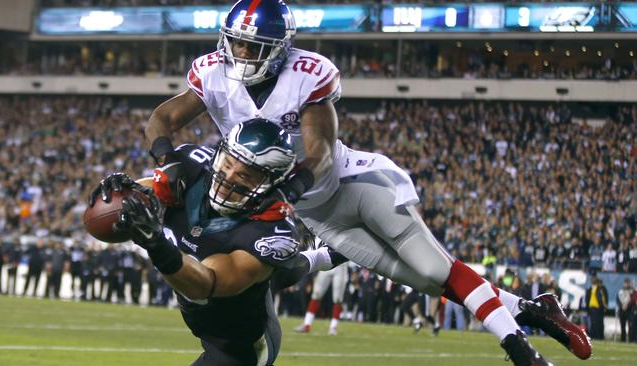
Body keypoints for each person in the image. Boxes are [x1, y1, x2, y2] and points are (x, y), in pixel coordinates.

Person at [143, 0, 590, 363]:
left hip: (355, 184)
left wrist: (288, 191)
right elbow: (163, 117)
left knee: (436, 267)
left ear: (279, 48)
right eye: (236, 44)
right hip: (320, 216)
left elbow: (318, 152)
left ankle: (520, 348)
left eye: (252, 46)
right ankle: (536, 310)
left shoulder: (308, 74)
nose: (240, 55)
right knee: (426, 281)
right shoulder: (212, 72)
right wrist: (166, 160)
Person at [89, 120, 346, 366]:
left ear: (272, 184)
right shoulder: (191, 167)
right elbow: (147, 192)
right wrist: (127, 193)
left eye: (245, 175)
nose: (228, 178)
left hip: (238, 346)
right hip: (216, 307)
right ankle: (325, 255)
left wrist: (157, 244)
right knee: (280, 271)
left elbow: (205, 284)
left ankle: (328, 255)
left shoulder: (269, 231)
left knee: (279, 270)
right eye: (228, 164)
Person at [295, 259, 348, 335]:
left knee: (337, 299)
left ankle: (333, 327)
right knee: (316, 294)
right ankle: (307, 324)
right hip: (328, 262)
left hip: (341, 265)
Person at [617, 278, 634, 342]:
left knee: (630, 326)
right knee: (622, 326)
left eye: (627, 283)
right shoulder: (620, 291)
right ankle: (623, 339)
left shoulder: (632, 291)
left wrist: (627, 305)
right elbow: (618, 300)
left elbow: (632, 300)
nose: (626, 284)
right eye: (625, 283)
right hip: (622, 311)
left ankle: (630, 339)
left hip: (629, 311)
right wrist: (622, 306)